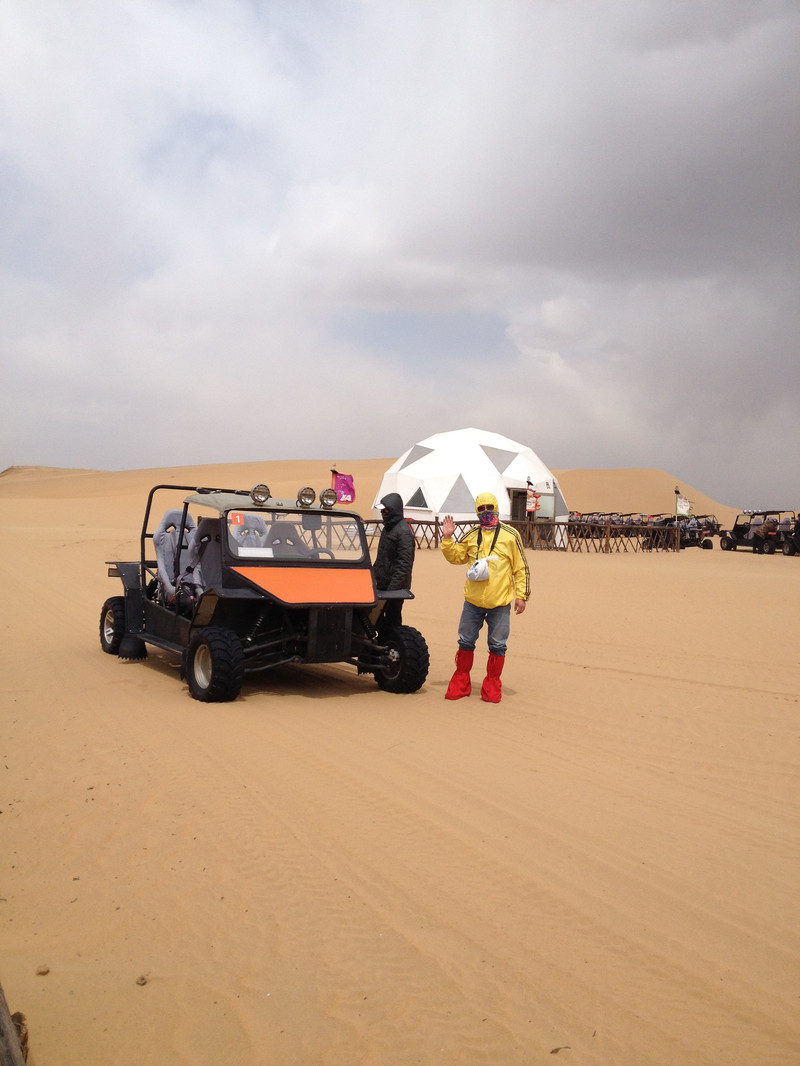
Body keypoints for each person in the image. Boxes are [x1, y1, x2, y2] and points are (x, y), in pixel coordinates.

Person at [440, 493, 530, 703]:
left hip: (499, 603)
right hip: (472, 602)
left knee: (498, 645)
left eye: (490, 507)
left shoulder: (510, 535)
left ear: (497, 507)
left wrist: (522, 596)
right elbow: (456, 557)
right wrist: (447, 538)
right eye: (481, 508)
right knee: (465, 641)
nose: (486, 512)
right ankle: (461, 683)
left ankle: (491, 686)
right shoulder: (471, 535)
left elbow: (521, 568)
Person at [373, 492, 416, 632]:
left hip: (395, 588)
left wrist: (392, 591)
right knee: (376, 618)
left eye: (385, 510)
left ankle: (393, 647)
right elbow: (381, 559)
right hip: (382, 584)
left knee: (393, 620)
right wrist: (371, 575)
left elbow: (404, 565)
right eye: (381, 510)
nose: (383, 513)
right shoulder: (388, 529)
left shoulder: (403, 532)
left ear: (393, 510)